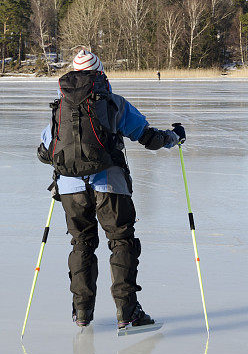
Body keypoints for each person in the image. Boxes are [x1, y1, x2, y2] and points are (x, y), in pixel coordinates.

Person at [37, 50, 185, 330]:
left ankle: (81, 312)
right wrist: (174, 138)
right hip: (110, 185)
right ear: (101, 74)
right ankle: (127, 312)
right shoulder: (114, 103)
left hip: (70, 188)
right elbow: (148, 137)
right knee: (121, 242)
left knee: (81, 243)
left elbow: (46, 153)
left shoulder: (60, 108)